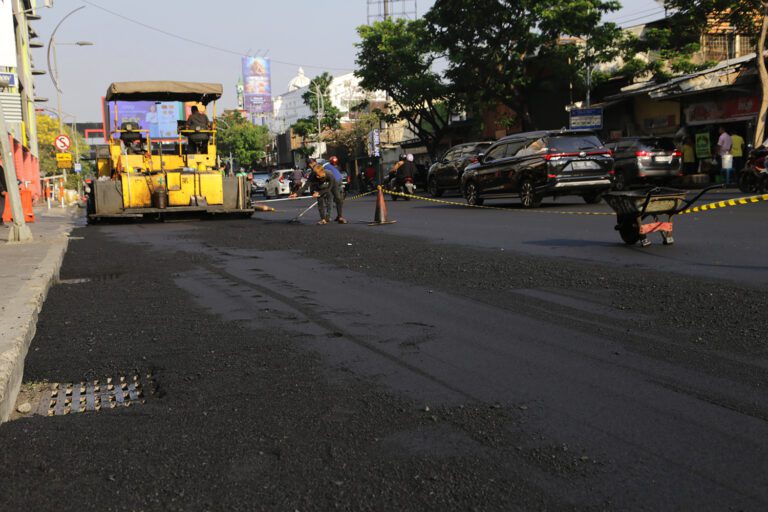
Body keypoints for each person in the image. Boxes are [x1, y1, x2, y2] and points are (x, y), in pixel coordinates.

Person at [290, 158, 346, 224]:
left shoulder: (330, 175)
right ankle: (323, 219)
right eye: (317, 176)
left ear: (323, 173)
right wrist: (296, 194)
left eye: (320, 176)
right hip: (320, 185)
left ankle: (340, 216)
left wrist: (319, 192)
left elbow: (329, 189)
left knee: (338, 198)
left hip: (332, 185)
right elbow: (305, 186)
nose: (318, 177)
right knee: (320, 200)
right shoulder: (313, 176)